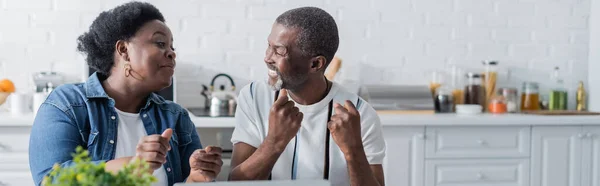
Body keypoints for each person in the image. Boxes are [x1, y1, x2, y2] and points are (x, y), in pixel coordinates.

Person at [28, 2, 222, 186]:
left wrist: (196, 178)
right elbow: (52, 179)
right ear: (124, 50)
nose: (171, 53)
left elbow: (189, 180)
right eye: (160, 43)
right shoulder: (68, 104)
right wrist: (133, 166)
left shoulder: (175, 116)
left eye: (172, 47)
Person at [228, 7, 386, 186]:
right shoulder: (253, 97)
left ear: (315, 64)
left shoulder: (360, 115)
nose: (267, 57)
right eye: (269, 46)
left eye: (279, 51)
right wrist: (274, 142)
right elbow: (235, 183)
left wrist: (353, 150)